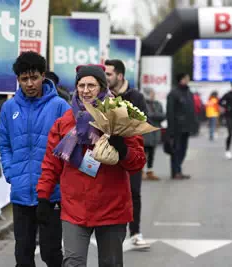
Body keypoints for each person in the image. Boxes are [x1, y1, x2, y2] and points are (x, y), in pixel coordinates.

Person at [37, 64, 146, 267]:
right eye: (81, 85)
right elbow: (51, 164)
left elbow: (138, 163)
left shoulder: (120, 117)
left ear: (102, 87)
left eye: (91, 85)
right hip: (75, 207)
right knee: (73, 263)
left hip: (112, 207)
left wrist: (123, 150)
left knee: (111, 264)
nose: (85, 90)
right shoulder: (65, 122)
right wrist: (43, 196)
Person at [0, 51, 70, 267]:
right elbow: (4, 144)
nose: (29, 83)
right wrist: (11, 172)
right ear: (18, 80)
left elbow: (69, 148)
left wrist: (59, 179)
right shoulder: (9, 108)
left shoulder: (59, 106)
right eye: (24, 79)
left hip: (51, 194)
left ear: (43, 75)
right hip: (21, 192)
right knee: (23, 255)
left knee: (51, 254)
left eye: (34, 77)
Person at [104, 59, 150, 248]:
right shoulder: (102, 95)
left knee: (134, 192)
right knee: (108, 192)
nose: (105, 77)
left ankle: (135, 232)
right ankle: (107, 230)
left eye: (109, 74)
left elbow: (143, 122)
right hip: (105, 153)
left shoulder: (136, 96)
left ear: (120, 76)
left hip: (130, 151)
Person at [166, 73, 196, 179]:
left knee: (183, 150)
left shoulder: (189, 93)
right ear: (181, 80)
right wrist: (171, 129)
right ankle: (175, 172)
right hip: (177, 127)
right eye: (186, 78)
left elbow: (191, 110)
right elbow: (170, 112)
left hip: (186, 127)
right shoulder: (174, 93)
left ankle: (178, 170)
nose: (188, 80)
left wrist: (193, 125)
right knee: (176, 150)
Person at [143, 89, 165, 181]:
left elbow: (162, 115)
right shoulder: (143, 104)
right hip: (146, 132)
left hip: (155, 132)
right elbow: (145, 115)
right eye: (151, 94)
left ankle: (150, 171)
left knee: (152, 153)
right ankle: (141, 171)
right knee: (143, 153)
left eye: (153, 94)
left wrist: (153, 115)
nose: (153, 96)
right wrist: (154, 115)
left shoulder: (157, 104)